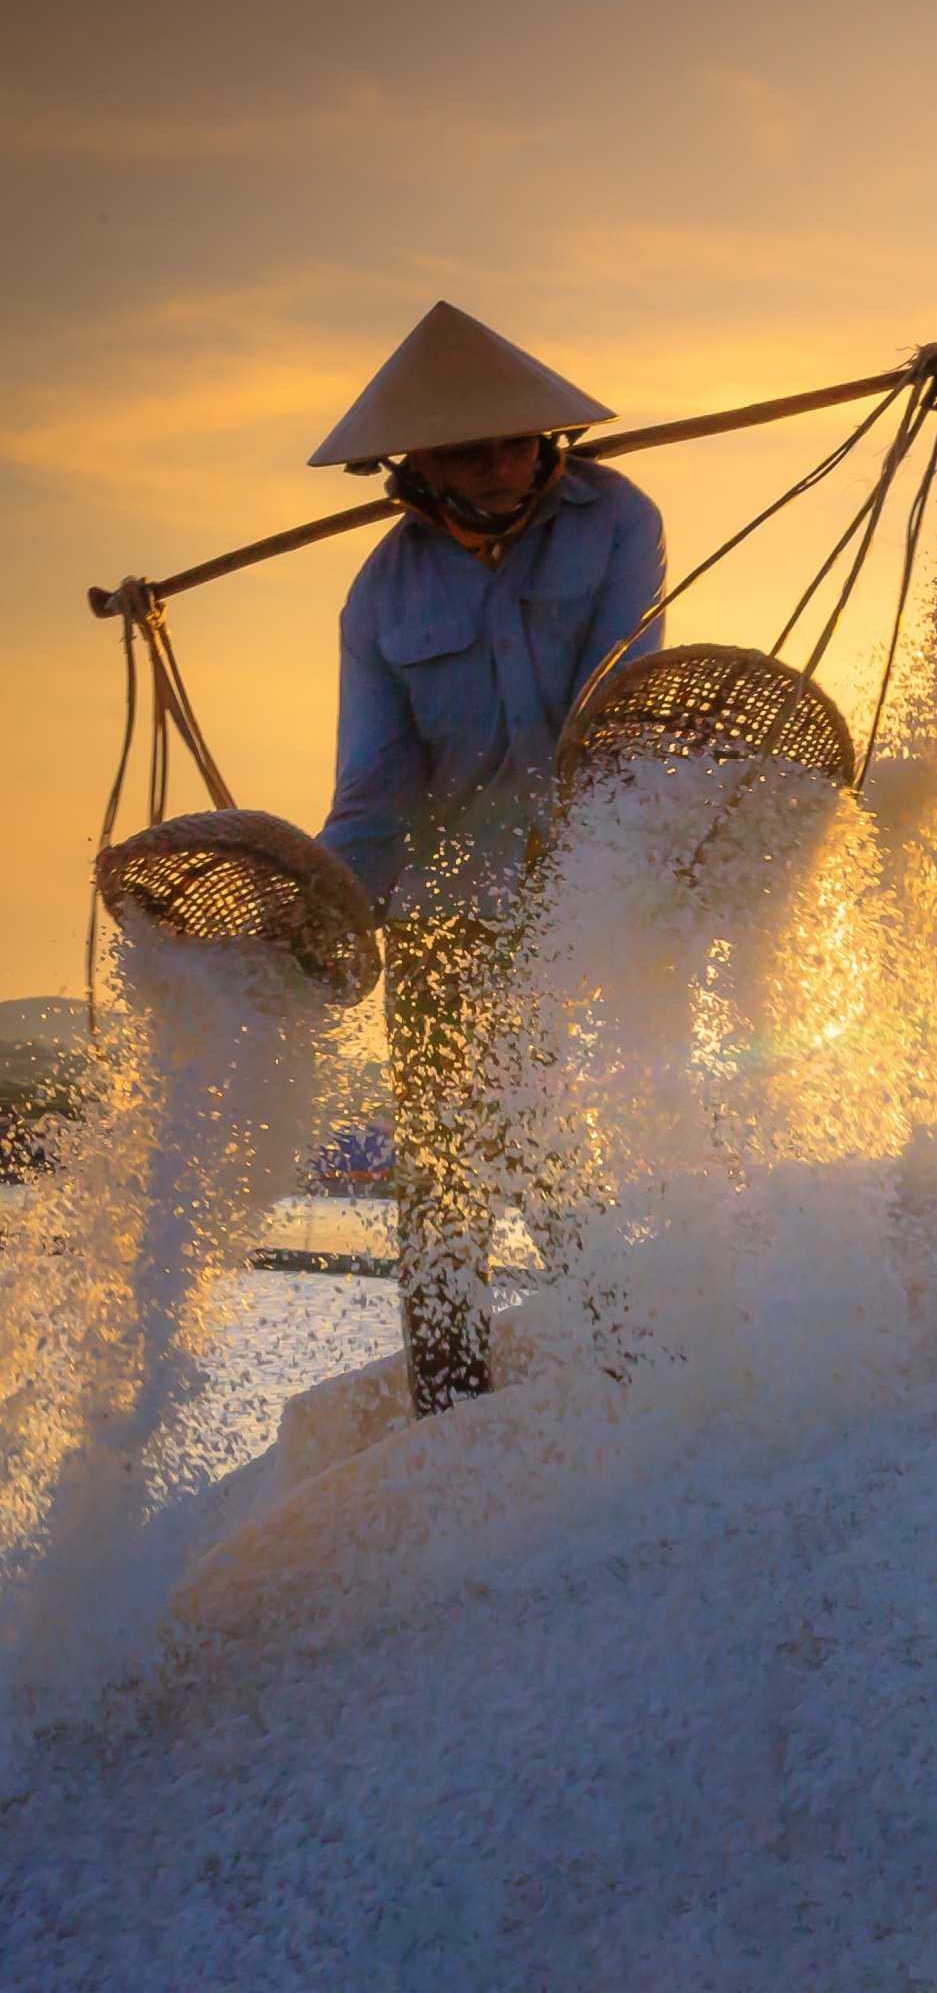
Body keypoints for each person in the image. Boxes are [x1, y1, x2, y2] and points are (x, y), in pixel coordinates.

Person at [311, 302, 664, 1414]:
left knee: (558, 1148)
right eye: (474, 446)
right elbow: (373, 795)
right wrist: (317, 912)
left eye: (519, 439)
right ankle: (451, 1416)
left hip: (587, 885)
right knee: (441, 1181)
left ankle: (642, 1387)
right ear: (414, 461)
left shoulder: (618, 521)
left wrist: (582, 890)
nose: (507, 462)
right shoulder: (380, 596)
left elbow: (619, 709)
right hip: (441, 912)